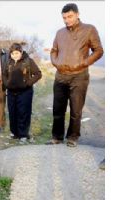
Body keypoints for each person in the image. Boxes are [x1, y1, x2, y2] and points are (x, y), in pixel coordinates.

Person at [47, 3, 104, 147]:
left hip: (79, 75)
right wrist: (56, 62)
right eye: (64, 17)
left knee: (76, 108)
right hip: (61, 75)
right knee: (57, 108)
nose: (67, 20)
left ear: (77, 14)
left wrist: (83, 63)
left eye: (70, 16)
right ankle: (57, 137)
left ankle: (73, 137)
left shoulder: (89, 29)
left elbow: (98, 51)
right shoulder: (60, 32)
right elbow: (54, 50)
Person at [5, 43, 42, 142]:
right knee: (12, 113)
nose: (15, 56)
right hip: (11, 92)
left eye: (17, 53)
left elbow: (38, 74)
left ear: (21, 52)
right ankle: (15, 133)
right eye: (13, 54)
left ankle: (23, 135)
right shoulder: (9, 62)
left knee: (23, 113)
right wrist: (6, 84)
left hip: (25, 92)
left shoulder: (28, 61)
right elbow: (4, 75)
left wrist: (28, 83)